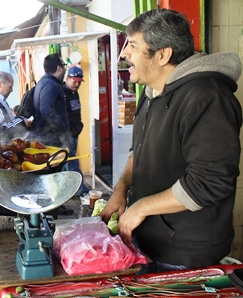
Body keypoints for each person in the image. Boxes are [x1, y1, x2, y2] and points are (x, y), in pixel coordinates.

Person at [99, 9, 242, 273]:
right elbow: (138, 152)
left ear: (162, 55)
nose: (124, 55)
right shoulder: (151, 92)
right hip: (149, 243)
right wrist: (121, 190)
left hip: (185, 254)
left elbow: (209, 181)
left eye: (132, 46)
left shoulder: (208, 98)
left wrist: (141, 207)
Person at [61, 66, 90, 198]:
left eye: (79, 82)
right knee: (72, 164)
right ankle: (81, 191)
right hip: (66, 136)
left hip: (74, 133)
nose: (77, 84)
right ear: (67, 78)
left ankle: (67, 190)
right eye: (74, 81)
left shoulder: (74, 92)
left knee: (66, 165)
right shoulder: (62, 93)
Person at [33, 53, 70, 148]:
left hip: (48, 138)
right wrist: (62, 131)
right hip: (52, 141)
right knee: (58, 162)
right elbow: (47, 111)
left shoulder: (43, 83)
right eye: (64, 66)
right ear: (59, 68)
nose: (65, 69)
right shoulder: (50, 85)